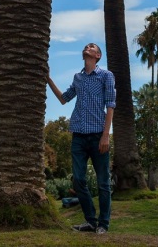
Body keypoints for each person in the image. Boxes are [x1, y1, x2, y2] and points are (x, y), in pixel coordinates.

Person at [47, 42, 116, 234]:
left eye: (92, 47)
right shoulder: (78, 77)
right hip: (78, 136)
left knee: (103, 183)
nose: (88, 47)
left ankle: (103, 224)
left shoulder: (106, 76)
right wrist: (48, 78)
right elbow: (63, 99)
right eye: (86, 46)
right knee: (78, 180)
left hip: (98, 137)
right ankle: (91, 221)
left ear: (98, 56)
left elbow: (111, 105)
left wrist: (105, 136)